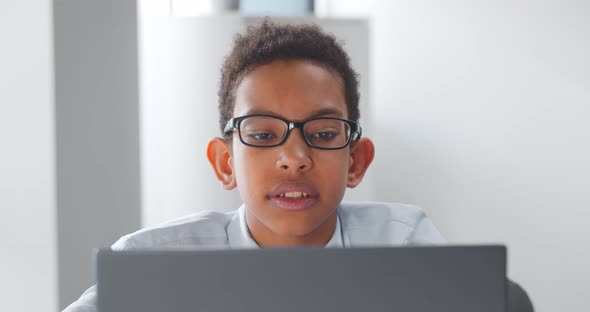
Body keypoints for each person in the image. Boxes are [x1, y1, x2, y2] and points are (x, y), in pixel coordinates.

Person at [63, 19, 444, 312]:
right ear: (225, 163)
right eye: (262, 136)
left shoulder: (403, 242)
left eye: (325, 134)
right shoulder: (148, 263)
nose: (294, 159)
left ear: (356, 161)